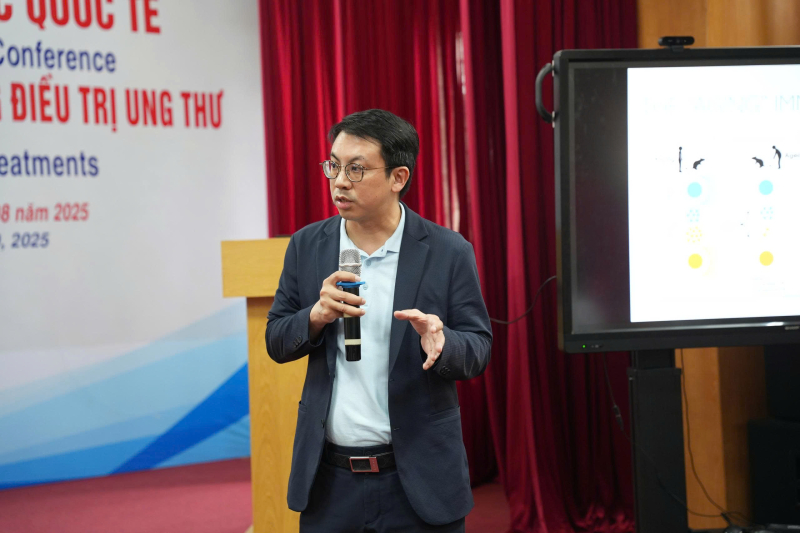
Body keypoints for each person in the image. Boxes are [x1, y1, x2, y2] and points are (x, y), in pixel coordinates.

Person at [265, 109, 492, 532]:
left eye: (356, 169)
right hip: (330, 485)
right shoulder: (307, 246)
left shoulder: (448, 251)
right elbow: (276, 340)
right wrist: (315, 316)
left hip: (418, 480)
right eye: (333, 166)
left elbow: (478, 348)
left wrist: (443, 342)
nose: (339, 181)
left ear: (398, 177)